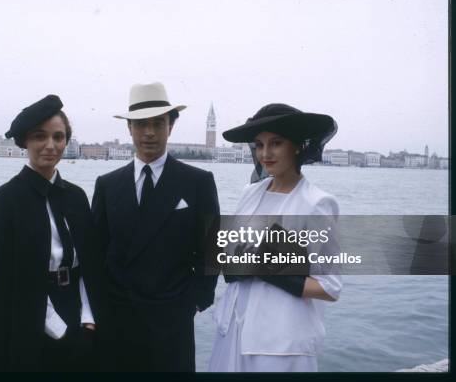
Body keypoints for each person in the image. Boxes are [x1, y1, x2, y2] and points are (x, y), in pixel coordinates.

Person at [0, 94, 97, 372]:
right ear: (25, 141)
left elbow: (89, 265)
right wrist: (60, 330)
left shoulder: (76, 197)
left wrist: (87, 319)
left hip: (78, 316)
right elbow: (12, 279)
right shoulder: (8, 199)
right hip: (26, 321)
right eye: (40, 136)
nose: (50, 145)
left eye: (58, 137)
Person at [90, 82, 220, 371]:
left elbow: (212, 248)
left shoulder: (198, 182)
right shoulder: (107, 185)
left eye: (158, 124)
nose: (149, 132)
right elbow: (94, 253)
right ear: (129, 129)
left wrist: (196, 301)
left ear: (170, 127)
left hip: (171, 324)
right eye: (141, 124)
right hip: (117, 321)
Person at [208, 103, 342, 372]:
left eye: (276, 143)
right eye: (259, 145)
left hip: (280, 343)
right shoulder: (250, 193)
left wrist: (268, 269)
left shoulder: (316, 204)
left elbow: (330, 287)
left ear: (297, 146)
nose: (265, 154)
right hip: (233, 331)